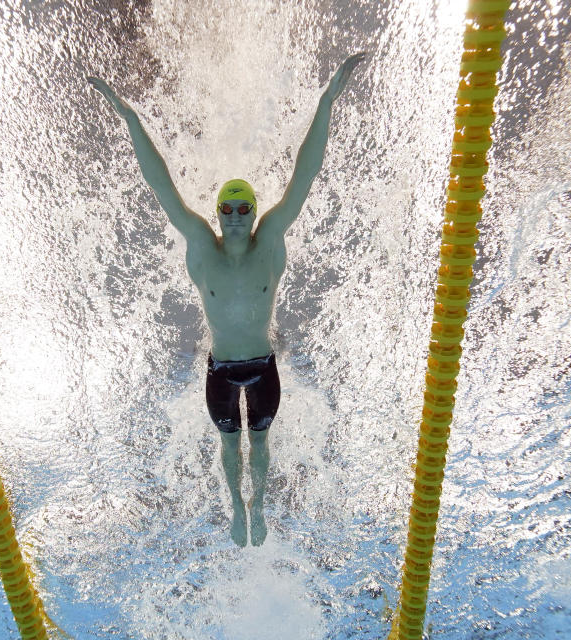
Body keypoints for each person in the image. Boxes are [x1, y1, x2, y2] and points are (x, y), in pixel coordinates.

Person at [89, 53, 365, 546]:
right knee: (228, 444)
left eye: (244, 207)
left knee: (259, 447)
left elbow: (304, 177)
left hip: (262, 364)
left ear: (253, 211)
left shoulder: (270, 240)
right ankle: (236, 507)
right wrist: (128, 116)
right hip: (219, 368)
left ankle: (257, 506)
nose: (236, 214)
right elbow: (162, 187)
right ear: (217, 213)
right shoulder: (200, 243)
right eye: (227, 207)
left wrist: (328, 101)